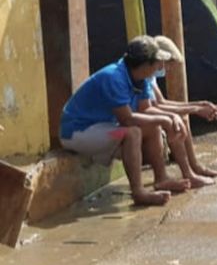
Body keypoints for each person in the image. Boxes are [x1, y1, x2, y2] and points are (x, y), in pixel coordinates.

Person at [59, 36, 201, 206]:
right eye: (157, 62)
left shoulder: (141, 78)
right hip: (78, 131)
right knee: (132, 132)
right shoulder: (113, 77)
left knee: (152, 126)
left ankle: (161, 178)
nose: (160, 67)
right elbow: (127, 118)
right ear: (146, 65)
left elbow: (145, 109)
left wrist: (170, 117)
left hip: (103, 127)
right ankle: (138, 192)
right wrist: (166, 119)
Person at [142, 37, 217, 180]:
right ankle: (189, 174)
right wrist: (196, 109)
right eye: (167, 64)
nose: (167, 69)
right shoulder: (145, 74)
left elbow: (161, 101)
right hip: (137, 117)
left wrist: (199, 104)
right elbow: (156, 106)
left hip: (144, 113)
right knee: (176, 122)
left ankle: (195, 167)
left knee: (182, 119)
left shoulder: (151, 77)